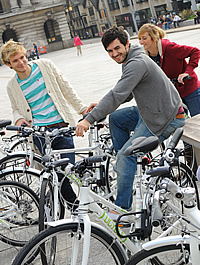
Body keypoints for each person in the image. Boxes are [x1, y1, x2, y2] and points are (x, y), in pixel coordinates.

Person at [75, 26, 185, 214]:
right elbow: (125, 92)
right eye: (110, 51)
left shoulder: (137, 63)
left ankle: (122, 210)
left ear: (127, 43)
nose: (114, 54)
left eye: (117, 48)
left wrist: (88, 120)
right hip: (152, 111)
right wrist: (101, 104)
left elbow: (117, 95)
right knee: (116, 118)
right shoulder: (131, 59)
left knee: (126, 155)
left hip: (165, 118)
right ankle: (125, 168)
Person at [0, 39, 87, 210]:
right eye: (15, 60)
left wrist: (82, 109)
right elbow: (16, 108)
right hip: (39, 133)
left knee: (64, 171)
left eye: (22, 57)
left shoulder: (45, 66)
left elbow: (65, 88)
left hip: (61, 127)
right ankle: (75, 210)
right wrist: (18, 119)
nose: (21, 62)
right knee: (53, 174)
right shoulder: (12, 86)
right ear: (8, 64)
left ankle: (64, 204)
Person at [138, 23, 200, 117]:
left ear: (153, 37)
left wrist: (187, 72)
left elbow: (195, 51)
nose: (141, 42)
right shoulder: (146, 57)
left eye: (144, 38)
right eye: (139, 39)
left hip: (190, 89)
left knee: (198, 120)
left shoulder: (170, 48)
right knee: (181, 124)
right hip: (173, 95)